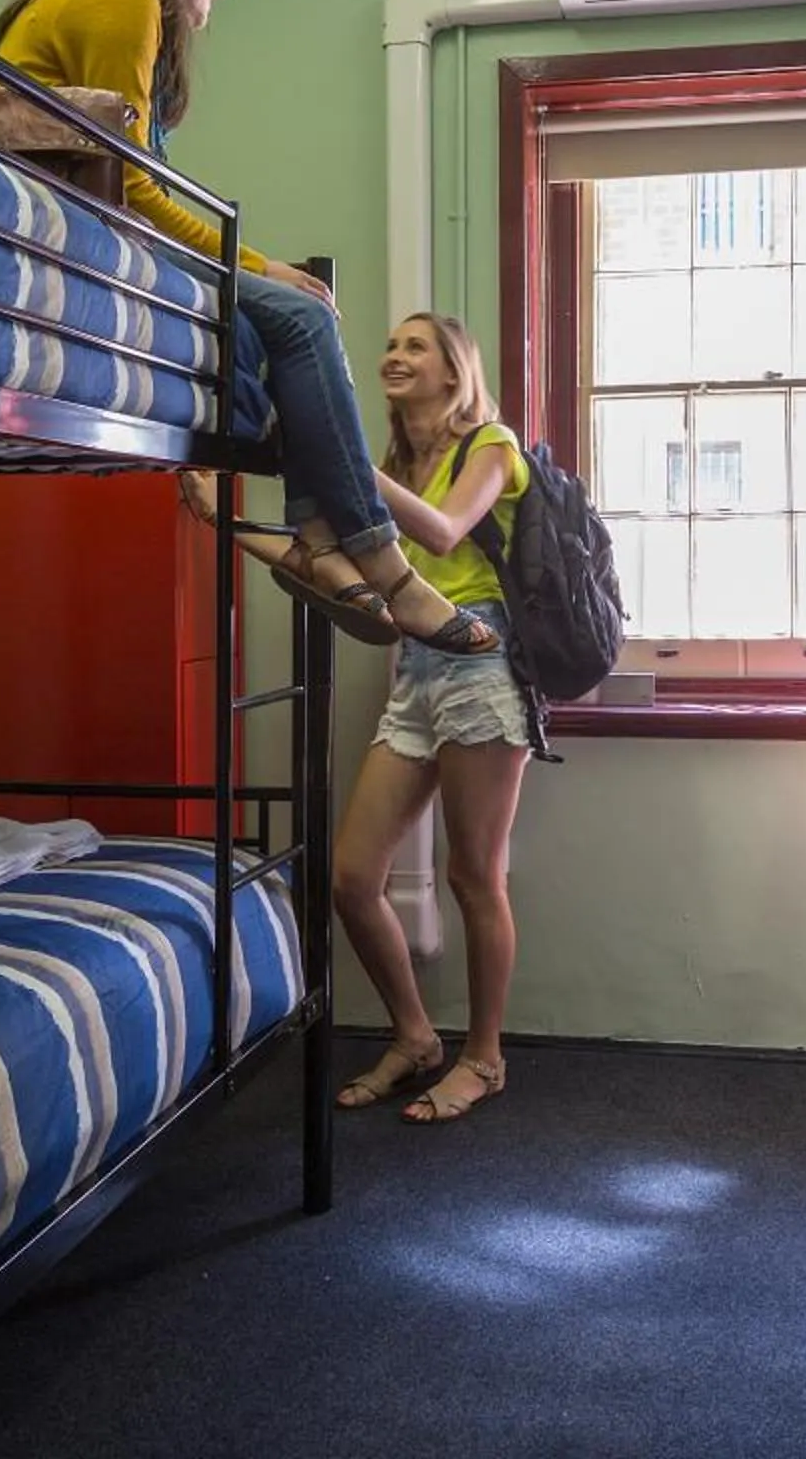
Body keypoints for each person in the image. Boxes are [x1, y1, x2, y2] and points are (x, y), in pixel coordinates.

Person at [0, 0, 494, 658]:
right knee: (301, 317)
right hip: (69, 238)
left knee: (260, 343)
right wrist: (259, 267)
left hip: (67, 229)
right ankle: (384, 565)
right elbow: (133, 195)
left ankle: (324, 542)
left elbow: (124, 182)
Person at [324, 312, 534, 1123]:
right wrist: (232, 527)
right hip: (414, 669)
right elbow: (345, 573)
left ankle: (484, 1059)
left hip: (481, 661)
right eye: (392, 343)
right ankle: (415, 1037)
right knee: (351, 877)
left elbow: (445, 530)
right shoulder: (393, 463)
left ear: (455, 372)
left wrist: (347, 463)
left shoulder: (492, 443)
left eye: (417, 347)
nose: (395, 356)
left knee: (473, 875)